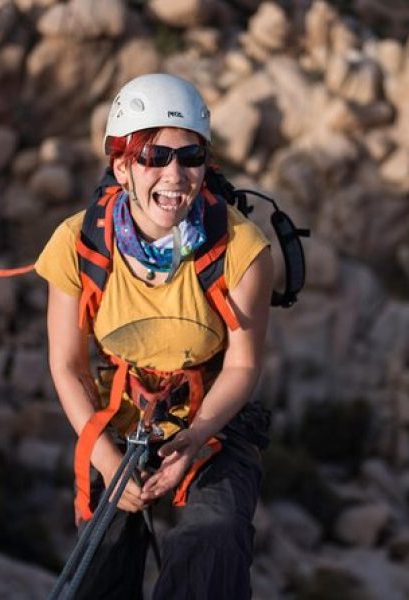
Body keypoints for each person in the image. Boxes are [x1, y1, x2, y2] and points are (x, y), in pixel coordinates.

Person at [35, 73, 273, 599]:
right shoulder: (77, 245)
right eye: (153, 157)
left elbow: (242, 366)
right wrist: (106, 461)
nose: (175, 174)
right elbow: (67, 366)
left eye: (190, 157)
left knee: (212, 547)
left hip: (212, 414)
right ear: (121, 165)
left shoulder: (241, 249)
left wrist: (193, 438)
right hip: (121, 412)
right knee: (103, 560)